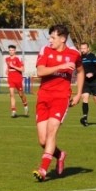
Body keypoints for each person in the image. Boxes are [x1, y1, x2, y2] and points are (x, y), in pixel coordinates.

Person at [32, 25, 84, 181]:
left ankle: (43, 169)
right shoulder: (45, 51)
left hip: (61, 98)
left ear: (63, 39)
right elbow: (40, 71)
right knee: (42, 140)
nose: (50, 40)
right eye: (50, 37)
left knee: (51, 132)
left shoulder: (74, 54)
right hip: (43, 97)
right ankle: (60, 154)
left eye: (53, 38)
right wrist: (60, 66)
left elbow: (80, 71)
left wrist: (79, 93)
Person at [5, 44, 29, 118]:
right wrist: (7, 70)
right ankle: (13, 111)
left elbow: (22, 69)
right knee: (12, 94)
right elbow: (8, 67)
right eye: (10, 50)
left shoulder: (18, 59)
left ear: (15, 51)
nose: (11, 51)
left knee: (21, 94)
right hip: (11, 78)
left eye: (12, 50)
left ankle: (25, 105)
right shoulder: (7, 59)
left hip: (18, 78)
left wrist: (14, 66)